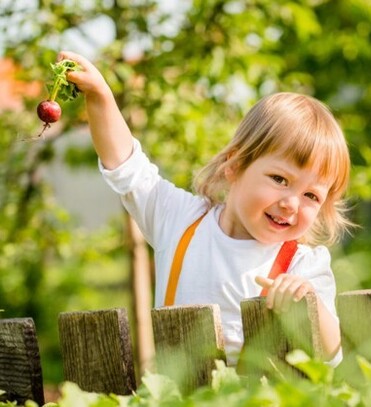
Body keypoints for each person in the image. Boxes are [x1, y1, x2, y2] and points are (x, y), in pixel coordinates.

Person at [58, 50, 352, 367]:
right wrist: (100, 95)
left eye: (311, 196)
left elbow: (332, 356)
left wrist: (308, 303)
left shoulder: (302, 264)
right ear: (235, 167)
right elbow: (127, 169)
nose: (291, 203)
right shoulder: (181, 220)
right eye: (280, 179)